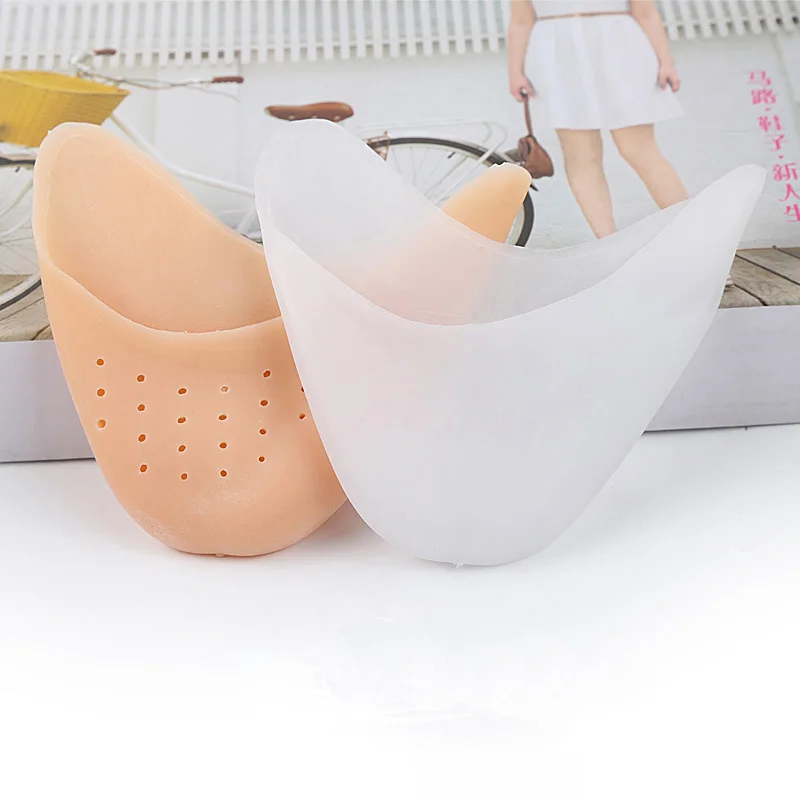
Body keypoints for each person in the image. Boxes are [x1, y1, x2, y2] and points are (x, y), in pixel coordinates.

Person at [507, 0, 687, 238]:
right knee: (581, 156)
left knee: (638, 149)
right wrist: (515, 72)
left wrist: (667, 63)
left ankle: (694, 234)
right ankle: (608, 244)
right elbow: (521, 20)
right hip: (557, 53)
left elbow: (645, 11)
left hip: (620, 45)